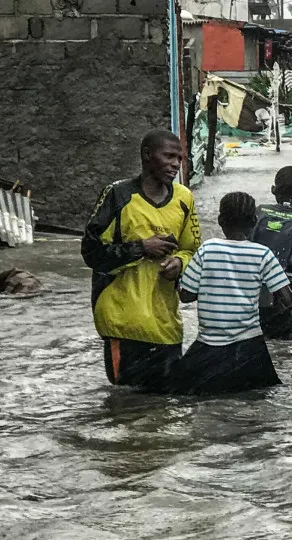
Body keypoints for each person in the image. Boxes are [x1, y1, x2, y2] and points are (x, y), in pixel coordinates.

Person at [81, 129, 200, 391]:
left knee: (166, 408)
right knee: (126, 404)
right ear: (147, 156)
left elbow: (194, 251)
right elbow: (91, 252)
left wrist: (180, 262)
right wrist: (140, 248)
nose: (175, 164)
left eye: (179, 159)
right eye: (168, 156)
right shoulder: (118, 196)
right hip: (123, 324)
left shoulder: (184, 199)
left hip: (166, 325)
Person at [174, 192, 292, 394]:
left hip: (209, 347)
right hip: (250, 350)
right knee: (255, 402)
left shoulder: (207, 249)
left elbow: (186, 295)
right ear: (254, 221)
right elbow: (288, 299)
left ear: (220, 220)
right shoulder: (262, 254)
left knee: (184, 396)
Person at [250, 166, 292, 340]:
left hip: (250, 295)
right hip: (280, 298)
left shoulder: (259, 211)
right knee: (283, 353)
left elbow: (245, 244)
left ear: (273, 190)